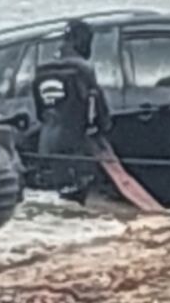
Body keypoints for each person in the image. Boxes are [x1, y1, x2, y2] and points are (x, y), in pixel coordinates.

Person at [32, 19, 111, 202]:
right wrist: (103, 126)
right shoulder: (83, 69)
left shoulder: (43, 70)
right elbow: (98, 112)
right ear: (81, 40)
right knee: (78, 197)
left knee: (54, 197)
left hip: (45, 145)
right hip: (73, 145)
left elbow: (39, 112)